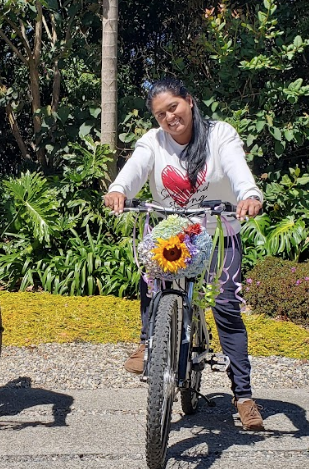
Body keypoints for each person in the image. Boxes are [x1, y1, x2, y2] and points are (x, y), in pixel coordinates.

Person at [103, 77, 265, 431]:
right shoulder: (153, 141)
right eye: (161, 114)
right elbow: (134, 170)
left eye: (173, 107)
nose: (169, 118)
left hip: (218, 230)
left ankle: (244, 396)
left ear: (189, 101)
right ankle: (150, 343)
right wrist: (118, 189)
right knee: (151, 277)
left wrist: (249, 195)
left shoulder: (219, 134)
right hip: (171, 231)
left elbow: (238, 168)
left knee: (225, 307)